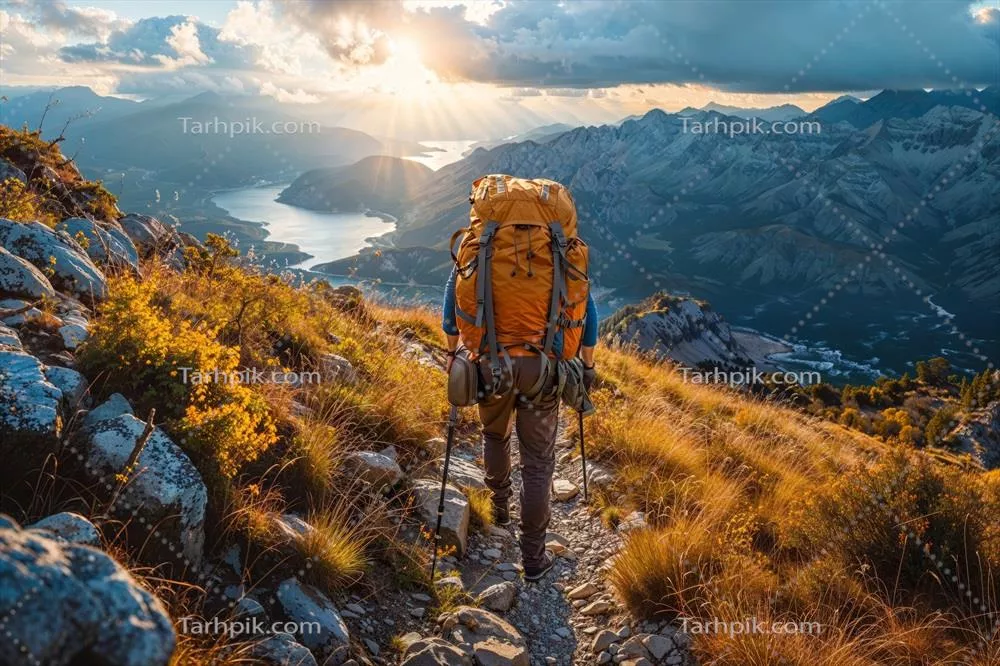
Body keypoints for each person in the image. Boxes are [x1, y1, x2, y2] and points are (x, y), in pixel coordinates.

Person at [441, 266, 598, 581]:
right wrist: (588, 365)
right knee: (537, 461)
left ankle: (500, 509)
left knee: (495, 435)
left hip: (490, 361)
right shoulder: (558, 247)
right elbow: (588, 315)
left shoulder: (482, 245)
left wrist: (450, 350)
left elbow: (451, 304)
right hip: (545, 368)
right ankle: (534, 558)